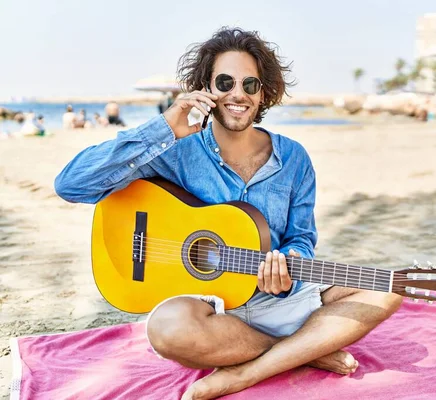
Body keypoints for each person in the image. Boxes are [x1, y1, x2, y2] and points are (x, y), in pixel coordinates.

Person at [54, 27, 402, 400]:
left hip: (279, 299)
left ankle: (248, 372)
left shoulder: (294, 158)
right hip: (208, 310)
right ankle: (303, 351)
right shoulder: (175, 150)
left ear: (264, 93)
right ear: (205, 88)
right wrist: (165, 127)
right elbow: (72, 185)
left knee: (391, 287)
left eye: (251, 84)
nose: (238, 94)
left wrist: (289, 263)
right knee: (167, 331)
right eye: (225, 82)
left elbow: (302, 236)